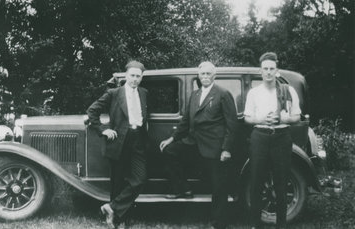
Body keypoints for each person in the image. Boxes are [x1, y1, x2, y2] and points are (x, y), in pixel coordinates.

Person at [159, 61, 237, 229]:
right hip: (193, 142)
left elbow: (232, 125)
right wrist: (172, 139)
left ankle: (218, 223)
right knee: (170, 151)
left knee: (218, 185)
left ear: (214, 76)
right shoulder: (195, 95)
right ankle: (182, 188)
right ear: (199, 76)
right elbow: (186, 121)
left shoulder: (223, 94)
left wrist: (226, 149)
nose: (205, 77)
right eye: (202, 74)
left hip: (214, 146)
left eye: (209, 74)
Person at [87, 60, 147, 229]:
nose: (135, 79)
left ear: (142, 77)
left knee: (139, 179)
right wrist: (102, 130)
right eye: (132, 75)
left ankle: (111, 208)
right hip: (118, 142)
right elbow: (92, 110)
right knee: (118, 182)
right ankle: (118, 220)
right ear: (126, 76)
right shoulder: (114, 93)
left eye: (138, 76)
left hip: (138, 140)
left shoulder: (144, 93)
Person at [244, 52, 301, 229]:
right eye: (265, 69)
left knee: (281, 183)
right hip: (259, 137)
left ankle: (281, 225)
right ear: (260, 71)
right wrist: (261, 119)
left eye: (271, 69)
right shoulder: (253, 93)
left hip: (281, 138)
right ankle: (255, 224)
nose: (268, 72)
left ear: (277, 71)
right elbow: (247, 118)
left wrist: (283, 119)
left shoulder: (288, 91)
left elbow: (297, 117)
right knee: (256, 182)